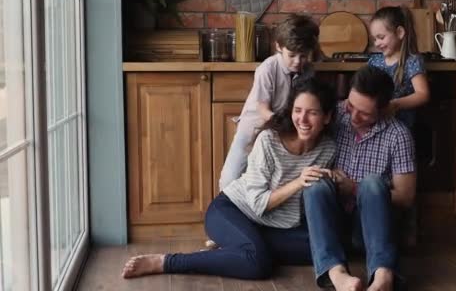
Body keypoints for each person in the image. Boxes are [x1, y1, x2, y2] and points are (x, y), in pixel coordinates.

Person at [122, 78, 337, 280]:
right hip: (232, 210)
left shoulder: (328, 149)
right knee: (257, 263)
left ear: (327, 117)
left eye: (313, 113)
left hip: (275, 227)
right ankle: (167, 262)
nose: (303, 119)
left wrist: (338, 180)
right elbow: (258, 203)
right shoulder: (269, 141)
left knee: (321, 248)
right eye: (298, 111)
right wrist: (298, 182)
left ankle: (236, 247)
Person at [303, 66, 416, 291]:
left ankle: (383, 277)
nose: (353, 116)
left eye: (364, 112)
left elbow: (405, 197)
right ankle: (338, 275)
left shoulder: (398, 135)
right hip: (332, 225)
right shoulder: (334, 115)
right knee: (314, 185)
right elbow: (299, 129)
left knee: (372, 183)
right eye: (351, 105)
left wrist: (354, 188)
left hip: (370, 230)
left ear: (383, 109)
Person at [218, 14, 320, 190]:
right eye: (292, 55)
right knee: (230, 179)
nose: (297, 62)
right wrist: (280, 121)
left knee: (266, 181)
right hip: (253, 130)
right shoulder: (267, 69)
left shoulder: (308, 71)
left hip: (278, 132)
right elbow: (263, 109)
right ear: (279, 46)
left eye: (303, 56)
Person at [368, 6, 430, 129]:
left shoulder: (412, 61)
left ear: (400, 33)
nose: (376, 44)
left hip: (403, 126)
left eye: (381, 37)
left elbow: (423, 94)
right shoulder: (374, 61)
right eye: (374, 39)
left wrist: (395, 105)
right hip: (377, 124)